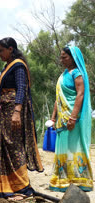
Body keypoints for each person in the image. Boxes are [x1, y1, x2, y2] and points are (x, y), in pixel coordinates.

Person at [0, 37, 43, 200]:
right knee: (4, 147)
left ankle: (21, 186)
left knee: (13, 146)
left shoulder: (18, 66)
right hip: (4, 112)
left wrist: (17, 112)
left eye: (1, 50)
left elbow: (21, 88)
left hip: (13, 112)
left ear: (11, 49)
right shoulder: (7, 67)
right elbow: (5, 92)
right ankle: (5, 185)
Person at [49, 46, 93, 192]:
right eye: (61, 57)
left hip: (72, 118)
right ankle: (63, 179)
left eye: (64, 57)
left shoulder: (77, 73)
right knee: (63, 148)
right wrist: (53, 117)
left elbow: (80, 94)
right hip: (62, 119)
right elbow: (58, 98)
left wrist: (73, 117)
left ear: (73, 58)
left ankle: (79, 181)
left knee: (74, 148)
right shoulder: (63, 75)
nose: (61, 60)